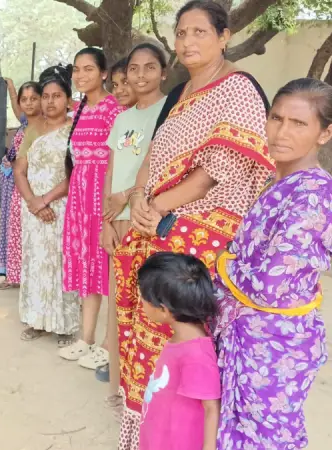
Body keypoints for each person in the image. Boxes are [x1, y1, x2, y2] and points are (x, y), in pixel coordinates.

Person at [114, 2, 274, 448]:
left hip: (202, 234)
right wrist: (140, 199)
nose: (187, 42)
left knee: (184, 341)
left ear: (224, 37)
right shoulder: (180, 93)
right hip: (158, 222)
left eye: (199, 32)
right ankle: (148, 430)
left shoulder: (237, 89)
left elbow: (213, 173)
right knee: (149, 335)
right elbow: (153, 156)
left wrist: (157, 207)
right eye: (181, 33)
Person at [214, 78, 332, 449]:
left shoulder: (313, 195)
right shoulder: (276, 178)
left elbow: (270, 284)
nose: (281, 132)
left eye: (298, 123)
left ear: (325, 133)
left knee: (264, 439)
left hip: (273, 348)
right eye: (276, 118)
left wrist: (220, 262)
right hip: (245, 335)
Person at [96, 44, 168, 406]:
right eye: (134, 69)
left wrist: (127, 195)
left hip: (147, 218)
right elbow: (110, 170)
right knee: (119, 305)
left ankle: (149, 392)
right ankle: (119, 387)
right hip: (119, 223)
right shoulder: (122, 119)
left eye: (150, 68)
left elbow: (164, 167)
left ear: (163, 73)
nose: (140, 76)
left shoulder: (169, 111)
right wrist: (106, 223)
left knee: (148, 306)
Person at [59, 47, 123, 365]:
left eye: (88, 69)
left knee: (108, 270)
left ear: (104, 73)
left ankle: (109, 345)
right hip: (79, 198)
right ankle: (86, 339)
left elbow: (118, 160)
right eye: (76, 69)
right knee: (87, 266)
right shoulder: (80, 109)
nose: (81, 75)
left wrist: (112, 203)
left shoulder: (114, 109)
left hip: (102, 196)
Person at [14, 66, 80, 346]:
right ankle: (36, 320)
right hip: (33, 210)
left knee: (60, 263)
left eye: (57, 96)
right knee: (36, 262)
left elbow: (75, 175)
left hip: (62, 208)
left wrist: (45, 200)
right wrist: (33, 202)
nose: (50, 101)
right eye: (46, 96)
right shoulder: (33, 130)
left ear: (68, 100)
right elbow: (19, 170)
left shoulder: (75, 130)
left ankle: (64, 325)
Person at [137, 252, 221, 450]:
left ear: (163, 310)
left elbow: (211, 407)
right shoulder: (184, 339)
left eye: (143, 298)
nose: (140, 301)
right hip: (161, 435)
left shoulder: (196, 354)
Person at [0, 80, 43, 290]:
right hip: (14, 187)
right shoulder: (25, 123)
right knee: (15, 232)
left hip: (30, 188)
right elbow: (18, 111)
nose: (29, 103)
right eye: (24, 99)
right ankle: (16, 275)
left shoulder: (44, 127)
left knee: (30, 233)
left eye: (34, 98)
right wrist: (11, 88)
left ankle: (32, 277)